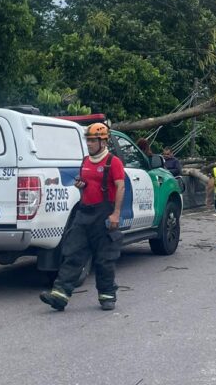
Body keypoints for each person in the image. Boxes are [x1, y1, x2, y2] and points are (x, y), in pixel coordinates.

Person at [40, 122, 125, 311]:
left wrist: (116, 214)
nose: (89, 144)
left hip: (104, 214)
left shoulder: (113, 162)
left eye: (93, 141)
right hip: (84, 213)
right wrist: (82, 185)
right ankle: (60, 295)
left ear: (103, 142)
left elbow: (120, 186)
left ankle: (107, 296)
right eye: (87, 140)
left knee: (105, 258)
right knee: (72, 253)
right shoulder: (85, 161)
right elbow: (89, 183)